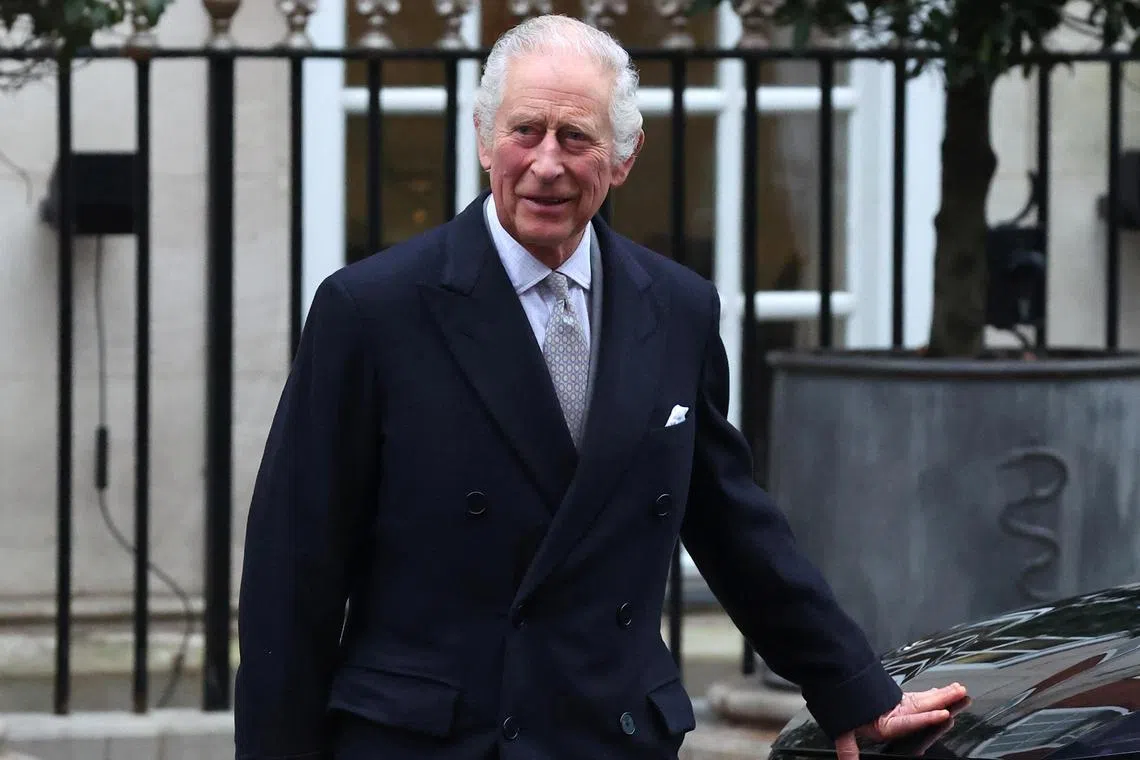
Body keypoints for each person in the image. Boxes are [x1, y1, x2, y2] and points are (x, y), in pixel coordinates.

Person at [233, 13, 965, 760]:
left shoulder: (677, 308)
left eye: (576, 137)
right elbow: (293, 576)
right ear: (485, 138)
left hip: (609, 737)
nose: (547, 162)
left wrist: (854, 689)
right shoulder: (373, 310)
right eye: (526, 131)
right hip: (435, 743)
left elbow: (731, 524)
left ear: (623, 157)